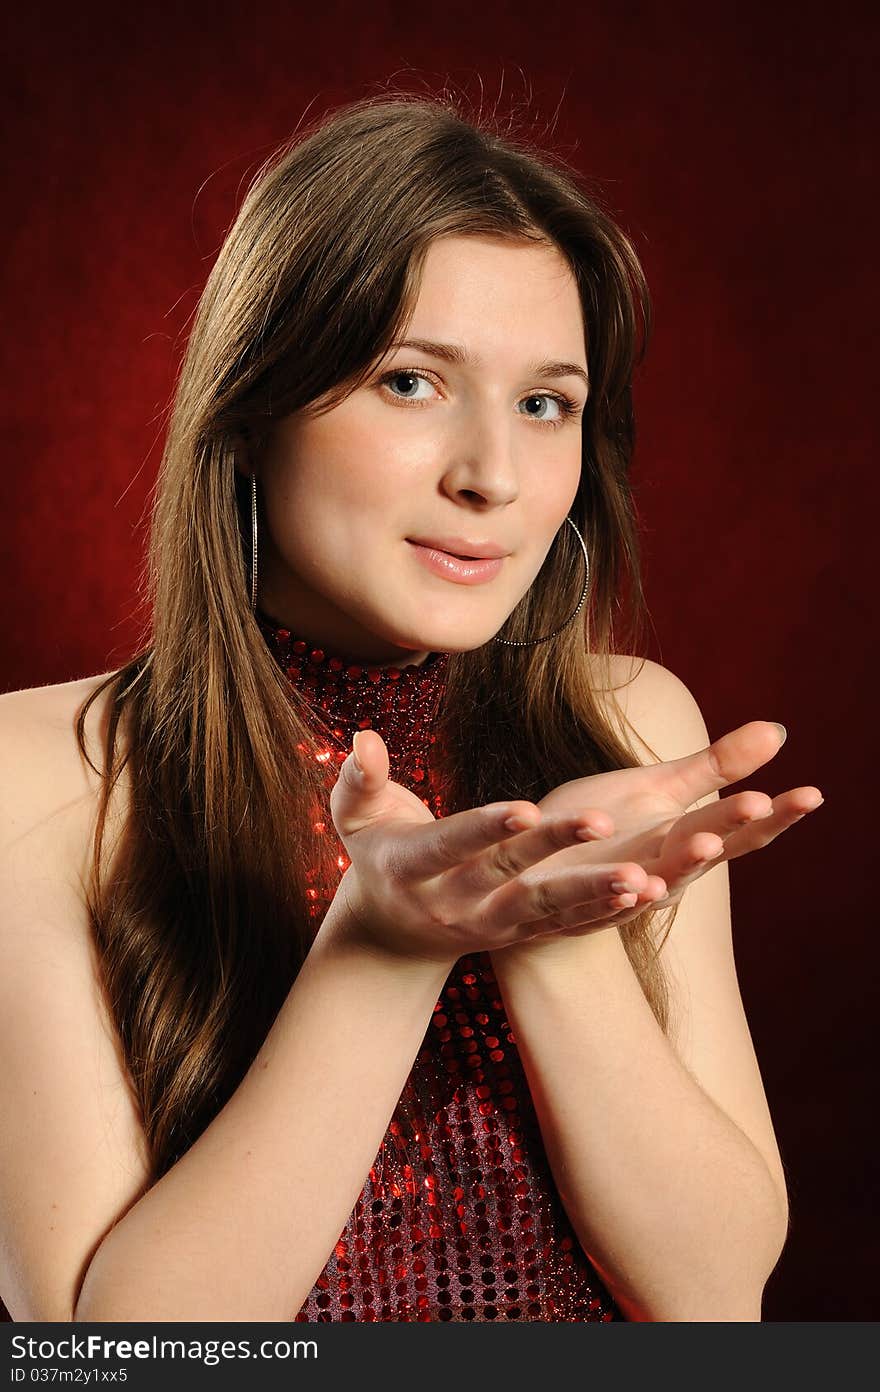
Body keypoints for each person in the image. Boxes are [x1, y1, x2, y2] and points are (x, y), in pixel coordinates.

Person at [0, 91, 823, 1326]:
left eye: (545, 404)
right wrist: (384, 950)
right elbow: (119, 1354)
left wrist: (558, 923)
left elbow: (711, 1305)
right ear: (254, 399)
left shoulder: (635, 726)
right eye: (409, 382)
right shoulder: (41, 776)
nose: (491, 476)